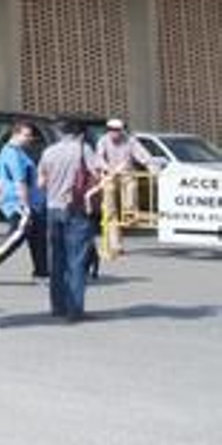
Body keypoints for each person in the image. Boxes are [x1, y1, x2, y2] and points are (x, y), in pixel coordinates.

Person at [38, 125, 103, 322]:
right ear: (80, 134)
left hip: (53, 208)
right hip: (76, 209)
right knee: (77, 260)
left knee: (57, 260)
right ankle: (75, 309)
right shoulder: (83, 150)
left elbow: (41, 183)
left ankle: (57, 306)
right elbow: (99, 174)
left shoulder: (48, 151)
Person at [0, 121, 48, 280]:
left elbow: (2, 176)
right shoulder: (12, 154)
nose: (29, 139)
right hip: (20, 203)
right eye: (26, 135)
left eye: (30, 136)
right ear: (15, 134)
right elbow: (20, 182)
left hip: (34, 202)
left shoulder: (17, 151)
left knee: (38, 237)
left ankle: (42, 273)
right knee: (17, 234)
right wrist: (25, 206)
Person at [94, 118, 160, 259]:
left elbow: (143, 156)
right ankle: (116, 246)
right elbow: (98, 158)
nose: (114, 133)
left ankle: (130, 211)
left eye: (117, 130)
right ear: (108, 130)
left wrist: (152, 167)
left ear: (122, 130)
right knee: (110, 212)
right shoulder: (103, 141)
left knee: (131, 184)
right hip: (110, 176)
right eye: (111, 130)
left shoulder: (130, 141)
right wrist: (108, 168)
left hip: (126, 175)